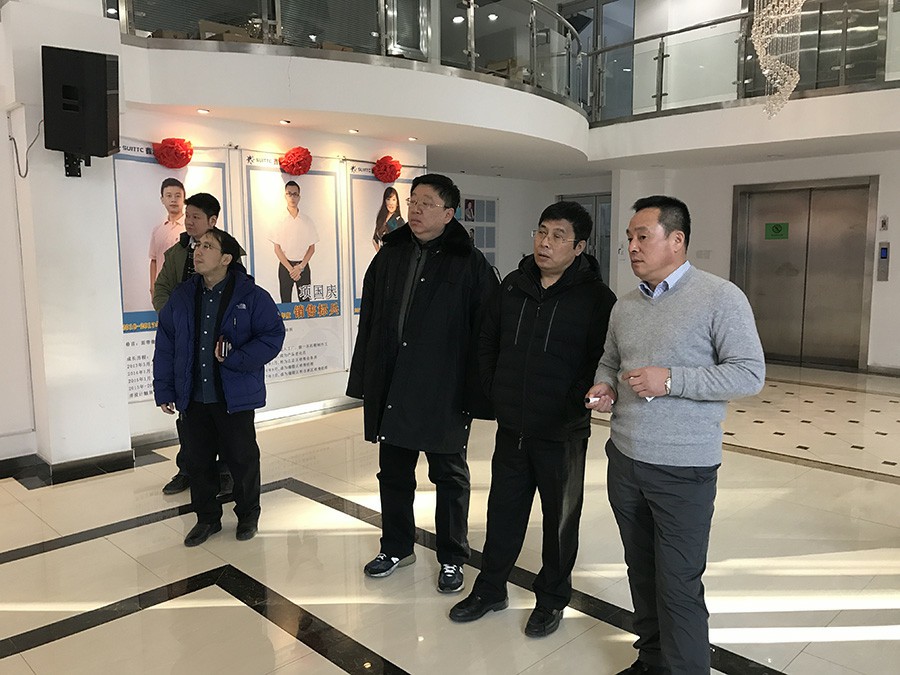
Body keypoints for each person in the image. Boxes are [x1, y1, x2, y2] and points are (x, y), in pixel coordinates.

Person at [585, 196, 765, 674]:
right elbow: (610, 360)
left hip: (683, 469)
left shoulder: (720, 297)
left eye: (642, 236)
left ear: (677, 240)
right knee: (641, 571)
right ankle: (652, 660)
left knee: (679, 583)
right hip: (626, 460)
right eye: (629, 238)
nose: (632, 247)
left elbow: (749, 374)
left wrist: (671, 380)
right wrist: (605, 385)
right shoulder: (625, 306)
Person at [449, 201, 616, 637]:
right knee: (503, 513)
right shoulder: (513, 285)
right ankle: (490, 589)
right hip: (512, 427)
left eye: (558, 236)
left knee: (560, 521)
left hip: (561, 431)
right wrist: (494, 389)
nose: (545, 242)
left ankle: (552, 599)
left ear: (579, 247)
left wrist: (571, 401)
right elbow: (488, 339)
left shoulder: (597, 299)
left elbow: (602, 359)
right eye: (542, 232)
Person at [347, 173, 498, 593]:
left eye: (426, 203)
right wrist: (365, 379)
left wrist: (478, 391)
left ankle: (452, 556)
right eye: (413, 201)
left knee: (449, 477)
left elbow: (487, 332)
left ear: (448, 214)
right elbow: (370, 320)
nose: (415, 210)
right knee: (393, 473)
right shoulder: (390, 254)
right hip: (394, 384)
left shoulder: (470, 263)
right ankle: (396, 546)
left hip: (443, 389)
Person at [153, 228, 285, 547]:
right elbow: (166, 344)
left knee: (242, 459)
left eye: (208, 246)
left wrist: (236, 358)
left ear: (226, 259)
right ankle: (207, 519)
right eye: (198, 245)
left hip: (233, 397)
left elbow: (272, 336)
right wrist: (165, 389)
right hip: (193, 397)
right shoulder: (183, 296)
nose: (198, 251)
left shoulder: (251, 296)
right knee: (198, 462)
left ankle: (248, 514)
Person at [153, 193, 241, 496]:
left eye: (196, 217)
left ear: (212, 221)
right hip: (186, 344)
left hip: (216, 345)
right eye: (187, 215)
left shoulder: (227, 250)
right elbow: (161, 289)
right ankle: (188, 468)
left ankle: (226, 470)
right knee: (188, 413)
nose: (188, 221)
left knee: (223, 413)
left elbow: (237, 294)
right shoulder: (176, 253)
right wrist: (175, 318)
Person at [269, 180, 319, 303]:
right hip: (285, 266)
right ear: (285, 196)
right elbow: (277, 249)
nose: (292, 197)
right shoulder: (279, 220)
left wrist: (300, 267)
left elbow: (311, 248)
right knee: (286, 302)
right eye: (289, 194)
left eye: (295, 194)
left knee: (306, 302)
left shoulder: (307, 221)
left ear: (299, 197)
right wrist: (291, 269)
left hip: (303, 266)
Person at [148, 177, 185, 295]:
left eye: (178, 196)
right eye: (169, 196)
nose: (173, 200)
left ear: (184, 199)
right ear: (162, 199)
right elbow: (154, 260)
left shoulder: (191, 229)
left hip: (185, 289)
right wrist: (153, 288)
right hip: (163, 291)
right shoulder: (157, 230)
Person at [372, 186, 405, 251]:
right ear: (385, 201)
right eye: (388, 199)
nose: (391, 203)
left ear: (397, 202)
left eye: (393, 199)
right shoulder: (381, 218)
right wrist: (380, 254)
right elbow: (374, 239)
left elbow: (403, 244)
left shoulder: (399, 221)